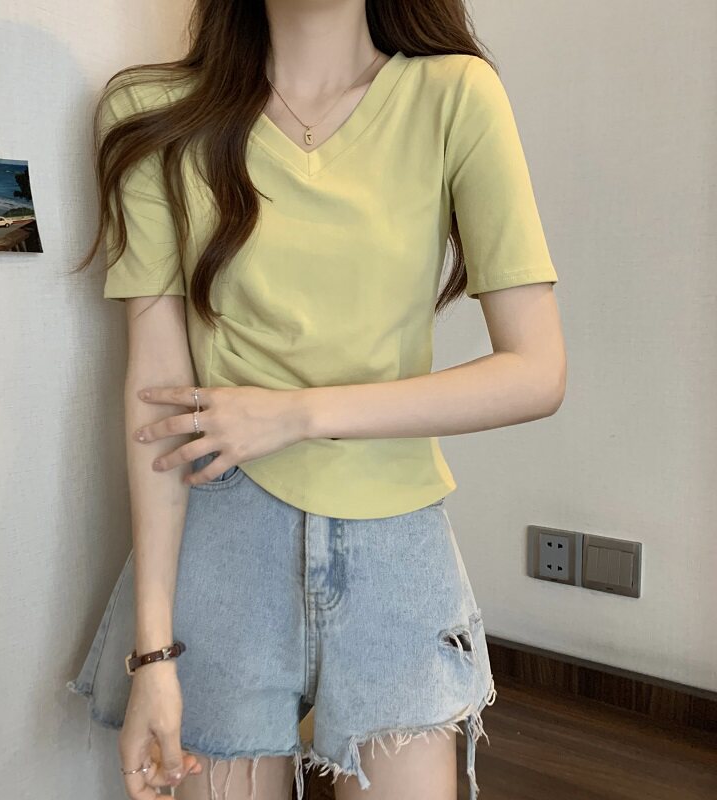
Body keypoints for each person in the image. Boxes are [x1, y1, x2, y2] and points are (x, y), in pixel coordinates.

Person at [66, 1, 566, 799]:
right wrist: (153, 652)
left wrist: (298, 413)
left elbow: (537, 371)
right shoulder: (154, 114)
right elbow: (155, 396)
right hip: (222, 541)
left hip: (395, 542)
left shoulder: (454, 95)